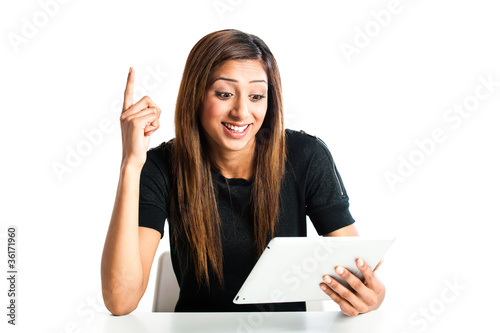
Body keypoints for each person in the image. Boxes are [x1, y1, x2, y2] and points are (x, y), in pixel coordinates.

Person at [100, 29, 386, 316]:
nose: (242, 111)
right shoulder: (160, 167)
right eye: (224, 94)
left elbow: (358, 268)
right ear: (196, 95)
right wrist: (131, 164)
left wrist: (373, 295)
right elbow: (120, 300)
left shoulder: (306, 156)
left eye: (256, 96)